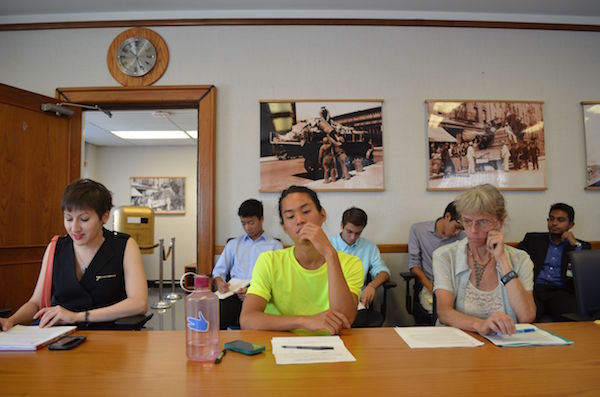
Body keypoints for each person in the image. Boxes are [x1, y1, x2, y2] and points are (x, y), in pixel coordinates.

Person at [0, 179, 148, 331]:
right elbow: (36, 303)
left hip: (109, 336)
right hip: (60, 337)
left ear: (104, 217)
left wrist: (77, 316)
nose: (74, 228)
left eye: (84, 219)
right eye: (68, 218)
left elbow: (139, 303)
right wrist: (11, 321)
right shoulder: (55, 247)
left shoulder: (124, 246)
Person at [239, 186, 364, 335]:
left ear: (322, 215)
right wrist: (305, 321)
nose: (300, 220)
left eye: (306, 212)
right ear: (284, 227)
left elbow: (345, 318)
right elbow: (247, 319)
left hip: (332, 346)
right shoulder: (269, 261)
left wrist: (330, 254)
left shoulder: (351, 264)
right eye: (290, 217)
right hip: (281, 346)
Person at [433, 184, 536, 335]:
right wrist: (481, 325)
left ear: (500, 221)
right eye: (467, 221)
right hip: (457, 342)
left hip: (505, 345)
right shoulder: (445, 255)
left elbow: (526, 316)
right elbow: (444, 313)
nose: (473, 230)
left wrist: (502, 259)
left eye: (483, 222)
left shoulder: (520, 259)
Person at [212, 199, 283, 329]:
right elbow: (218, 272)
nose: (247, 228)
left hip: (261, 292)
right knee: (218, 314)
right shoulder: (233, 244)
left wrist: (252, 291)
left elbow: (280, 278)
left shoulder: (275, 246)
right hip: (233, 292)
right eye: (243, 223)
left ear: (261, 220)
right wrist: (220, 283)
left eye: (251, 223)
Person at [518, 203, 591, 322]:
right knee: (527, 318)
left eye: (560, 220)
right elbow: (516, 260)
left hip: (561, 291)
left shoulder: (580, 246)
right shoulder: (532, 239)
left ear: (571, 224)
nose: (554, 223)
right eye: (551, 219)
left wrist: (575, 245)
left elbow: (583, 276)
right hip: (534, 290)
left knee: (575, 320)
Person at [329, 207, 390, 326]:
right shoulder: (328, 245)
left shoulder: (369, 247)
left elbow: (384, 272)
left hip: (357, 303)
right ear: (342, 225)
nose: (353, 237)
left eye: (358, 233)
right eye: (349, 231)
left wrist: (372, 285)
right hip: (329, 301)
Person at [408, 202, 464, 325]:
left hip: (457, 285)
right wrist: (431, 287)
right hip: (430, 283)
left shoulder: (464, 237)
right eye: (456, 227)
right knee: (436, 311)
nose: (457, 233)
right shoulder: (418, 230)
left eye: (461, 229)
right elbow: (414, 265)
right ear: (448, 216)